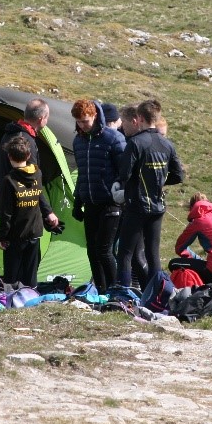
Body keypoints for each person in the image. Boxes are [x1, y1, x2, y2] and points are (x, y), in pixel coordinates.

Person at [113, 100, 184, 288]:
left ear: (140, 118)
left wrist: (122, 186)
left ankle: (124, 293)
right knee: (153, 253)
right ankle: (156, 293)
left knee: (125, 252)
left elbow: (124, 174)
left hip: (137, 205)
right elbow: (178, 175)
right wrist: (159, 181)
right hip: (158, 206)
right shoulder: (166, 144)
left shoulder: (136, 142)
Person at [70, 99, 126, 293]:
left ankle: (115, 291)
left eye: (85, 121)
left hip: (111, 203)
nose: (82, 126)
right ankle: (102, 292)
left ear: (95, 116)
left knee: (104, 250)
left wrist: (119, 194)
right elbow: (82, 175)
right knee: (92, 250)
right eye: (78, 122)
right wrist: (77, 201)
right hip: (90, 202)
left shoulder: (113, 138)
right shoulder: (78, 141)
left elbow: (125, 171)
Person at [0, 136, 53, 287]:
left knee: (12, 273)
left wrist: (2, 236)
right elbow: (40, 196)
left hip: (15, 235)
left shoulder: (9, 180)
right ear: (28, 156)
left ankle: (11, 296)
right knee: (30, 271)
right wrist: (49, 213)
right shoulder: (37, 174)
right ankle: (31, 294)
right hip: (34, 232)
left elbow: (6, 213)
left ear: (9, 157)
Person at [0, 98, 58, 229]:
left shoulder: (8, 134)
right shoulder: (26, 140)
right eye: (47, 117)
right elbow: (32, 179)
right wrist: (48, 211)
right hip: (21, 207)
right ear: (41, 118)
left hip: (6, 204)